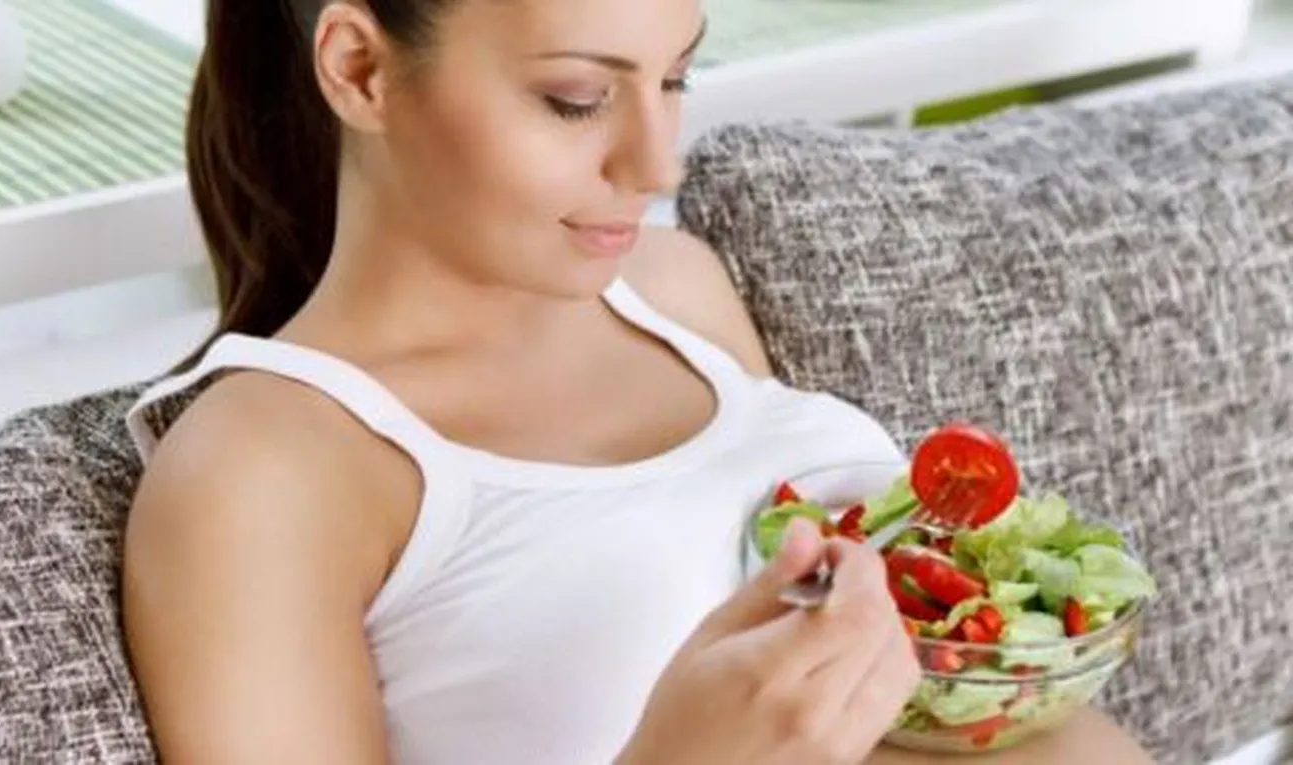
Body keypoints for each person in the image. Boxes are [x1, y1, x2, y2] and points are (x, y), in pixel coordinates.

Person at [119, 0, 1157, 763]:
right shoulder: (265, 468)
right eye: (576, 100)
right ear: (359, 69)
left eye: (674, 81)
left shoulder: (672, 289)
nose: (659, 168)